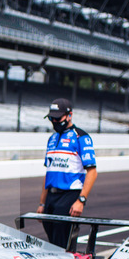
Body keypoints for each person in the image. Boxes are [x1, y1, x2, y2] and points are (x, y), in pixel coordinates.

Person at [36, 98, 97, 248]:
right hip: (51, 196)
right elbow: (48, 172)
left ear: (69, 115)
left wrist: (81, 200)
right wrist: (42, 203)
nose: (54, 121)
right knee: (53, 244)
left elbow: (92, 171)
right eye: (52, 118)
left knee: (64, 245)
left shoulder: (80, 136)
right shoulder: (52, 138)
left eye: (58, 117)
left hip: (69, 195)